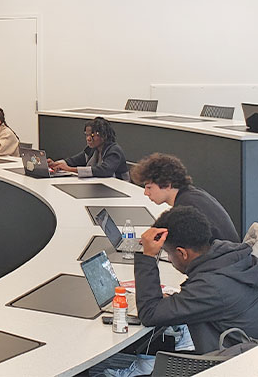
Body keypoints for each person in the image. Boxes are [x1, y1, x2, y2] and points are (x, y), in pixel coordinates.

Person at [135, 206, 258, 354]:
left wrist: (148, 257)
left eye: (168, 253)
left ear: (182, 253)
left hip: (227, 363)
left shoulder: (212, 286)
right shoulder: (232, 255)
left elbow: (150, 314)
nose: (168, 258)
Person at [131, 153, 239, 243]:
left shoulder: (187, 206)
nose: (146, 193)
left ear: (167, 184)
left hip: (221, 263)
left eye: (149, 187)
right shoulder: (192, 195)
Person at [47, 117, 130, 180]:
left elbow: (104, 171)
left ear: (104, 135)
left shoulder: (114, 150)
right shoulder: (91, 149)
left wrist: (70, 169)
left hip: (118, 188)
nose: (88, 139)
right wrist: (56, 164)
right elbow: (73, 161)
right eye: (87, 135)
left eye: (92, 135)